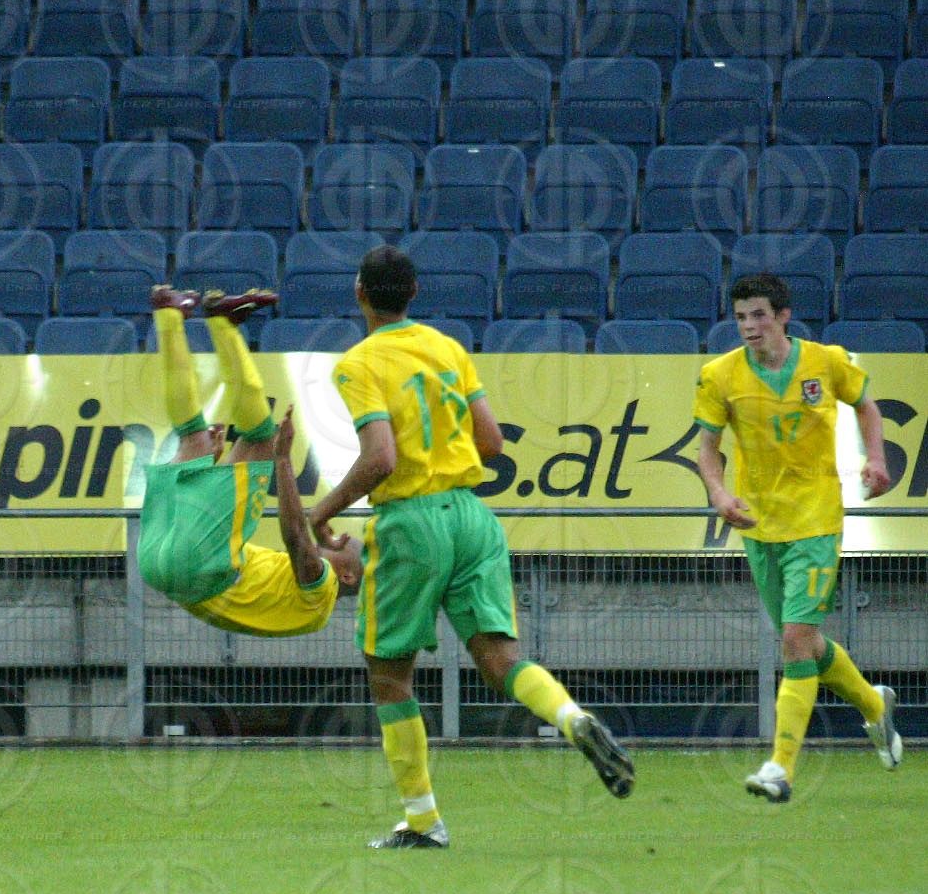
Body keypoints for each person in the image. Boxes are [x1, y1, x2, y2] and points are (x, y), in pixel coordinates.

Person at [309, 245, 634, 849]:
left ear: (360, 294)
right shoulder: (448, 348)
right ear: (414, 294)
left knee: (389, 676)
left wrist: (319, 513)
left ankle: (423, 821)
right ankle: (570, 717)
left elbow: (381, 457)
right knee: (501, 660)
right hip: (472, 518)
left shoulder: (359, 363)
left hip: (411, 521)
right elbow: (490, 442)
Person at [694, 273, 902, 803]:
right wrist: (718, 493)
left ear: (783, 316)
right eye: (741, 317)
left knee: (792, 641)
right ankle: (875, 707)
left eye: (759, 315)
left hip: (815, 519)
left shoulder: (826, 361)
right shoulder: (719, 375)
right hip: (758, 525)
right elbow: (708, 448)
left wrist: (876, 459)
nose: (749, 326)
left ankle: (779, 767)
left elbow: (867, 406)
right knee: (805, 641)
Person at [138, 286, 364, 638]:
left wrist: (284, 461)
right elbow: (218, 530)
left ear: (347, 575)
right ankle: (170, 315)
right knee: (195, 437)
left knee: (261, 436)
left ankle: (221, 324)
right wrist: (212, 470)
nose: (342, 536)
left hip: (198, 569)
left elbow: (294, 536)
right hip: (162, 567)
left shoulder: (321, 592)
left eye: (348, 544)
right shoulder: (276, 581)